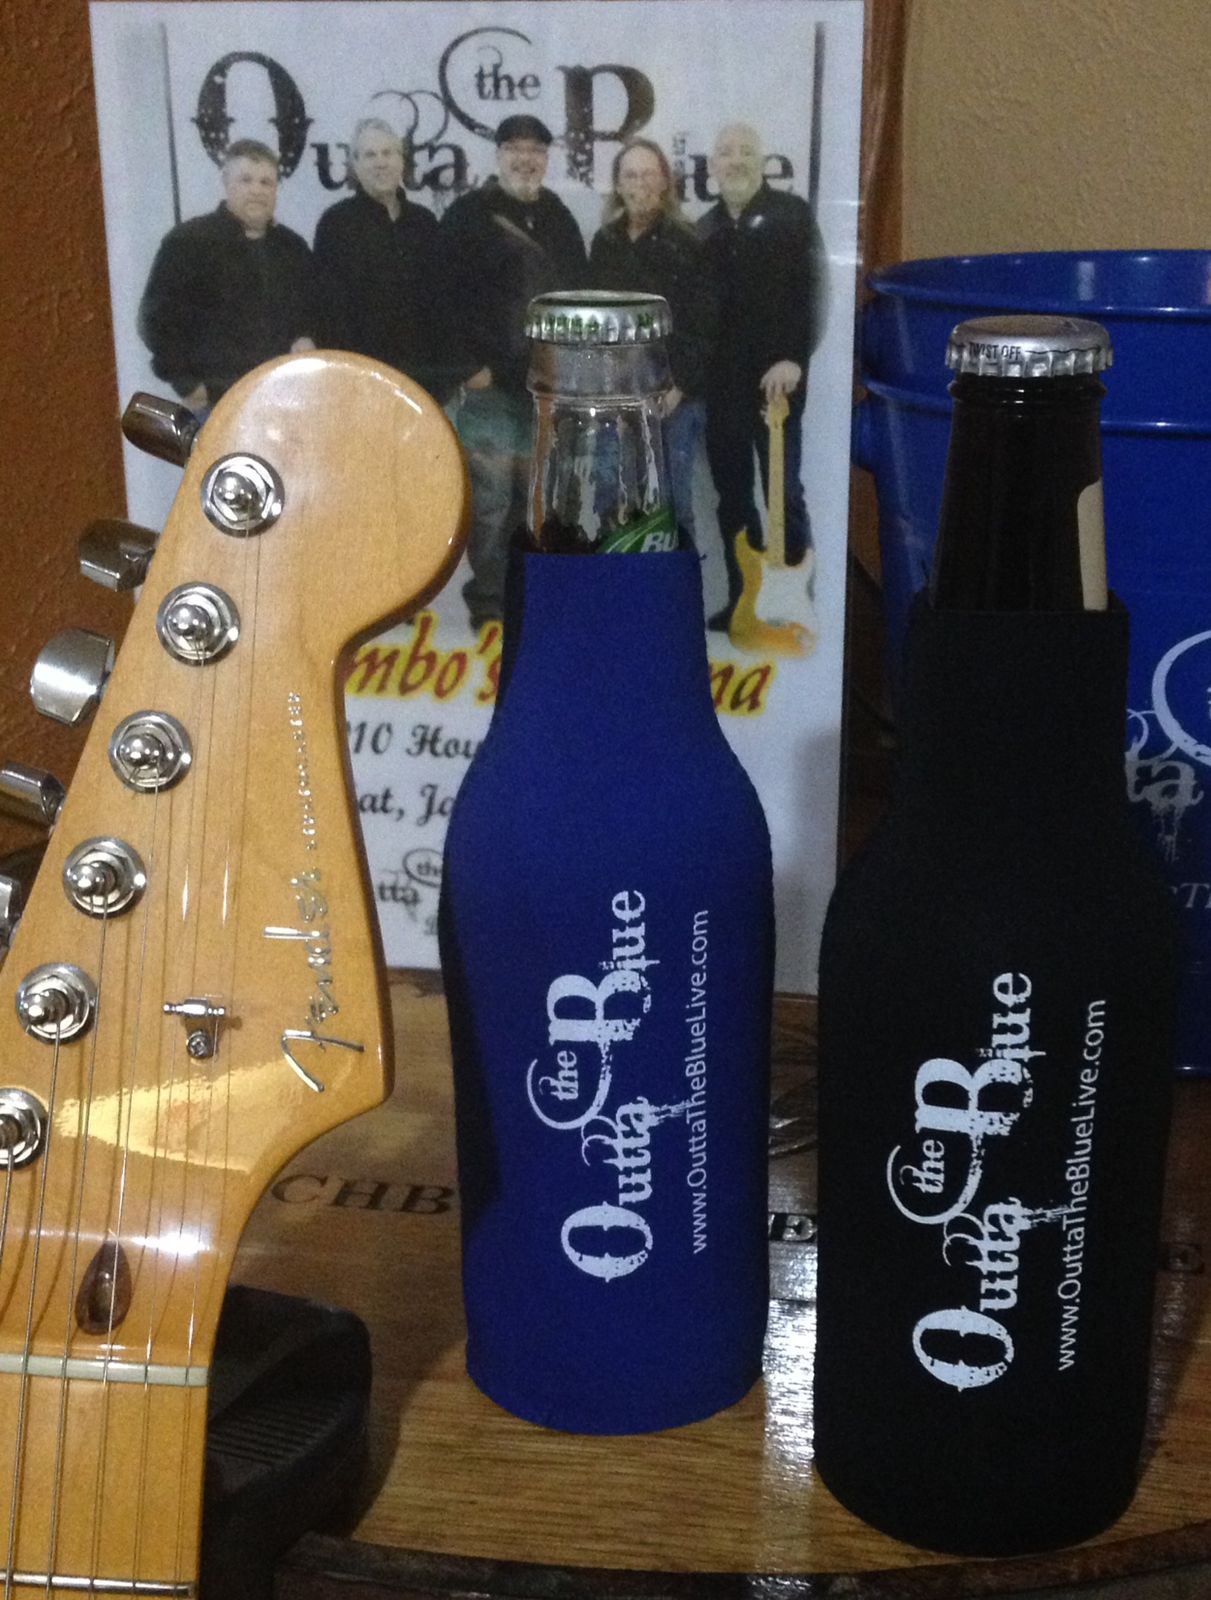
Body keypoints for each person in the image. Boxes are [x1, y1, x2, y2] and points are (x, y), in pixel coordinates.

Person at [440, 114, 588, 631]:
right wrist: (468, 367)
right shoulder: (467, 215)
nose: (526, 159)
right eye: (515, 149)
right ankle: (489, 604)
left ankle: (531, 601)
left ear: (546, 159)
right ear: (499, 155)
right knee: (491, 504)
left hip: (547, 387)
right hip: (490, 387)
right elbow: (441, 296)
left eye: (536, 151)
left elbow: (579, 297)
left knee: (541, 501)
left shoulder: (560, 218)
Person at [697, 122, 829, 630]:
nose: (735, 160)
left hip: (779, 385)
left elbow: (816, 291)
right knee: (731, 497)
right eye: (725, 152)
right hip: (722, 389)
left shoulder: (791, 215)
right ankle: (744, 603)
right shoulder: (703, 229)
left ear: (762, 160)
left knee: (783, 494)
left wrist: (794, 358)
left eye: (745, 151)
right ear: (712, 166)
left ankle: (797, 605)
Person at [588, 138, 717, 546]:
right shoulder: (605, 243)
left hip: (672, 399)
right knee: (612, 503)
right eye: (630, 175)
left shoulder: (689, 242)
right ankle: (618, 585)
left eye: (648, 174)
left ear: (664, 182)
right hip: (615, 397)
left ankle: (676, 588)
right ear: (618, 185)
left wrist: (678, 386)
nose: (639, 184)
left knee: (671, 509)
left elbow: (705, 325)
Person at [138, 139, 319, 411]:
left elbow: (313, 310)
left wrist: (307, 336)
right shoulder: (189, 242)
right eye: (246, 180)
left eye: (266, 182)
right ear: (226, 182)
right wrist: (186, 383)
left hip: (284, 398)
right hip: (216, 402)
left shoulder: (293, 247)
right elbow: (155, 322)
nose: (257, 190)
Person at [313, 118, 456, 401]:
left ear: (401, 161)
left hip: (424, 386)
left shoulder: (424, 222)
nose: (380, 162)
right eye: (370, 155)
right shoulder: (336, 224)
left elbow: (441, 304)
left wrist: (443, 381)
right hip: (362, 387)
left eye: (388, 153)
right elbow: (329, 315)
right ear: (355, 166)